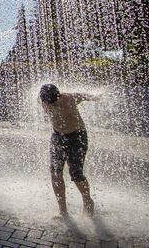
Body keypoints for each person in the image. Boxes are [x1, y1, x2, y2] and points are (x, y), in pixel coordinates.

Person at [39, 83, 99, 217]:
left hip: (77, 137)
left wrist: (95, 97)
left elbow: (84, 96)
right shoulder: (43, 101)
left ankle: (88, 202)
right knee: (55, 172)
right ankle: (62, 211)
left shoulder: (70, 98)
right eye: (47, 102)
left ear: (59, 96)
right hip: (58, 137)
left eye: (53, 102)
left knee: (76, 173)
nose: (51, 105)